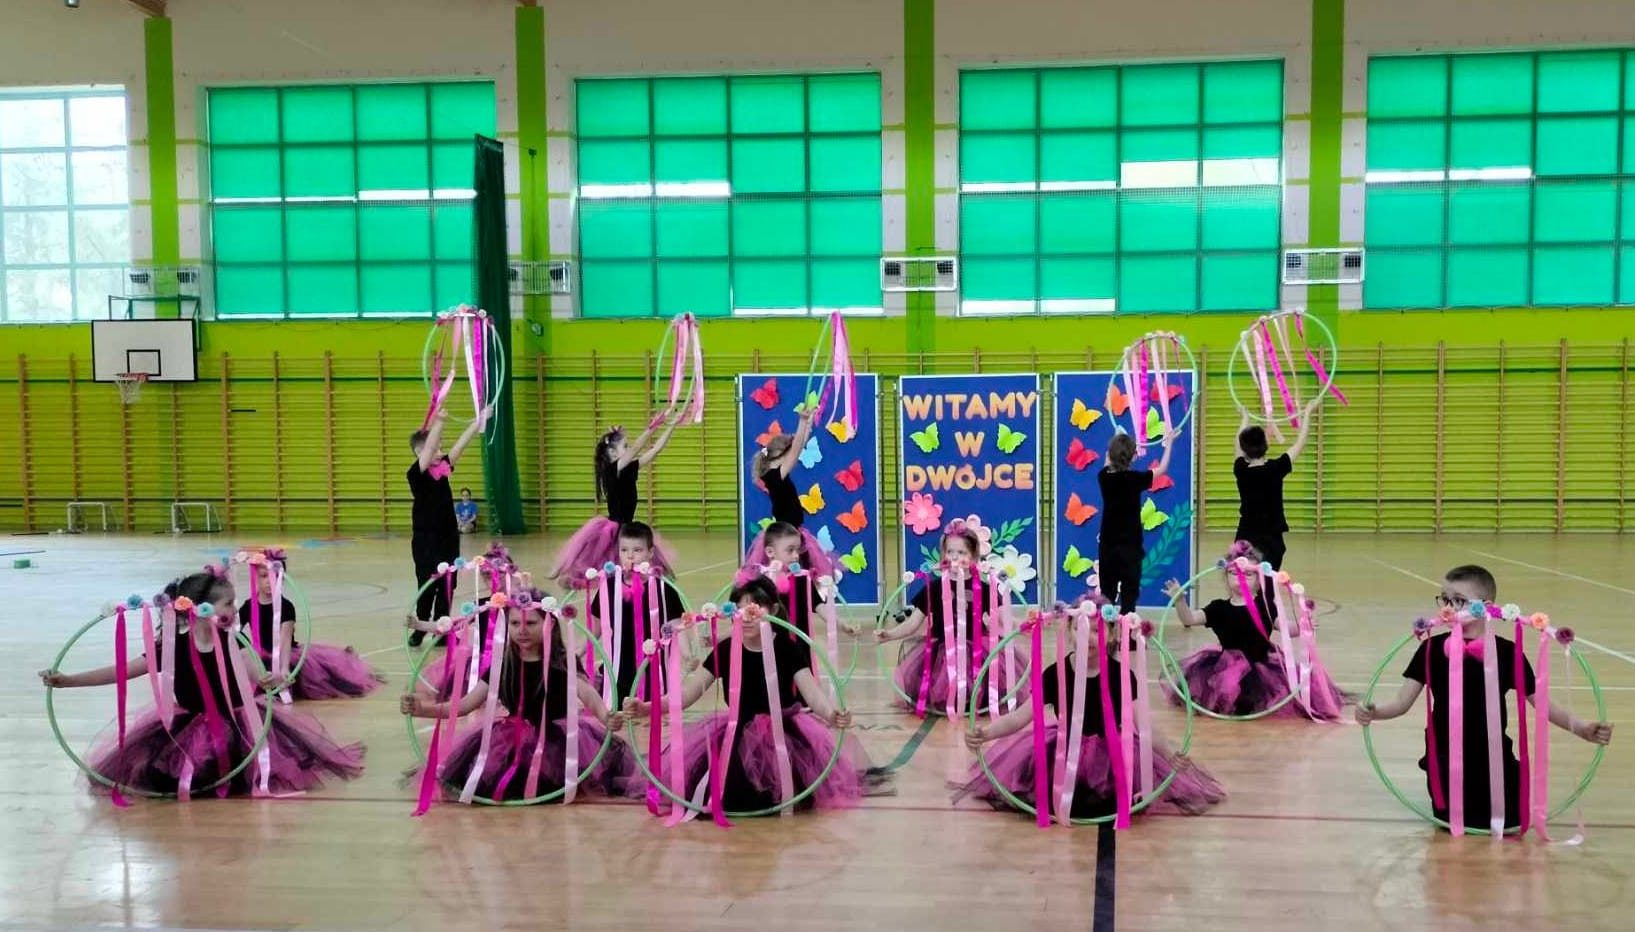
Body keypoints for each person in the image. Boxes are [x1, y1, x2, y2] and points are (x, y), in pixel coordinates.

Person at [41, 571, 365, 797]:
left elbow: (254, 671)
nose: (235, 610)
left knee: (234, 764)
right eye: (228, 604)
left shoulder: (232, 641)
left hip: (237, 722)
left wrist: (268, 679)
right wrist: (68, 681)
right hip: (188, 726)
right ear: (203, 609)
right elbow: (123, 671)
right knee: (172, 770)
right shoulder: (172, 646)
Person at [1355, 565, 1614, 831]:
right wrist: (1374, 712)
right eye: (1444, 599)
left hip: (1495, 763)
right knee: (1453, 828)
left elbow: (1542, 703)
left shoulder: (1507, 653)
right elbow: (1401, 702)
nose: (1449, 608)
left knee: (1508, 824)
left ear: (1486, 606)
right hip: (1447, 765)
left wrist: (1582, 728)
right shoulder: (1431, 649)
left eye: (1459, 600)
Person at [624, 577, 878, 814]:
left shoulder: (786, 647)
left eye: (755, 608)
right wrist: (647, 707)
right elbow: (688, 693)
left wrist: (832, 715)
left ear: (773, 610)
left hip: (783, 734)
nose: (746, 616)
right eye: (739, 608)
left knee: (777, 789)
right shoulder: (726, 649)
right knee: (726, 789)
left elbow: (812, 693)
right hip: (734, 731)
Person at [959, 598, 1224, 820]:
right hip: (1062, 753)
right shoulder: (1054, 674)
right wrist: (986, 733)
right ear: (1069, 631)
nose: (1088, 637)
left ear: (1112, 635)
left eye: (1097, 631)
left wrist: (1169, 754)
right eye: (1081, 628)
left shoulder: (1121, 676)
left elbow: (1144, 726)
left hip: (1112, 754)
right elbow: (1020, 717)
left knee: (1108, 796)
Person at [401, 596, 635, 803]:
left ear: (549, 624)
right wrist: (422, 708)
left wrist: (605, 716)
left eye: (531, 623)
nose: (522, 630)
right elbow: (464, 705)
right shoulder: (502, 665)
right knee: (496, 778)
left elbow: (588, 695)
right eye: (514, 623)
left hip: (558, 740)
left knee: (545, 779)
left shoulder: (563, 662)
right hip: (509, 739)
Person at [1163, 541, 1344, 719]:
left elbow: (1287, 629)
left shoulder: (1265, 606)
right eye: (1234, 573)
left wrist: (1303, 626)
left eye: (1248, 574)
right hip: (1226, 669)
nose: (1240, 577)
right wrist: (1180, 601)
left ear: (1258, 580)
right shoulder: (1218, 608)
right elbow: (1189, 618)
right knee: (1229, 695)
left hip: (1262, 664)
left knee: (1263, 695)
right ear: (1226, 577)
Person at [877, 522, 1017, 717]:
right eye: (950, 552)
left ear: (974, 557)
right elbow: (913, 623)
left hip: (976, 649)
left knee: (979, 674)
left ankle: (972, 699)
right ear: (943, 555)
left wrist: (1022, 626)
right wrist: (889, 634)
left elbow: (1005, 619)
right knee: (941, 676)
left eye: (961, 553)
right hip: (940, 650)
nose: (954, 557)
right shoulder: (933, 588)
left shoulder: (984, 589)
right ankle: (946, 699)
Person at [549, 417, 679, 587]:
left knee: (641, 556)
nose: (629, 449)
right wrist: (652, 427)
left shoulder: (629, 468)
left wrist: (672, 425)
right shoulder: (612, 470)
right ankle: (564, 574)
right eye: (625, 446)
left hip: (628, 526)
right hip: (613, 528)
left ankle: (641, 587)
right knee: (598, 563)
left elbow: (655, 450)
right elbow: (637, 448)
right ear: (612, 453)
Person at [408, 403, 491, 647]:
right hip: (425, 541)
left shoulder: (442, 470)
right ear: (419, 452)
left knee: (447, 585)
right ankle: (421, 626)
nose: (440, 451)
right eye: (436, 448)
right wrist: (440, 421)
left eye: (440, 447)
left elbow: (459, 447)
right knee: (427, 584)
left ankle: (441, 628)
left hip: (448, 538)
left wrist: (478, 422)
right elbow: (429, 448)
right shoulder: (416, 474)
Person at [583, 521, 688, 703]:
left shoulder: (664, 590)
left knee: (649, 715)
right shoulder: (608, 588)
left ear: (650, 553)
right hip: (616, 675)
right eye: (624, 550)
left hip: (653, 677)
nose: (630, 556)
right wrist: (577, 652)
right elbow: (594, 629)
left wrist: (688, 654)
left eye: (637, 550)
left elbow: (676, 627)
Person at [743, 405, 835, 578]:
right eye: (789, 453)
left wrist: (808, 423)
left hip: (792, 531)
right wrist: (802, 421)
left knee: (798, 574)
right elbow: (797, 448)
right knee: (789, 574)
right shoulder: (774, 475)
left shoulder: (776, 474)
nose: (793, 457)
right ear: (779, 456)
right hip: (786, 534)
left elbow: (798, 445)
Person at [1232, 397, 1319, 571]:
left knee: (1246, 581)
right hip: (1271, 540)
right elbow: (1300, 443)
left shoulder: (1241, 470)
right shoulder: (1275, 469)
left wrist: (1245, 418)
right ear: (1266, 445)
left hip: (1246, 536)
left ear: (1244, 449)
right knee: (1267, 582)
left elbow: (1237, 445)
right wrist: (1308, 413)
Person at [1096, 430, 1173, 614]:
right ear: (1134, 457)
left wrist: (1116, 439)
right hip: (1130, 547)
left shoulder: (1103, 477)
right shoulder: (1135, 479)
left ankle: (1106, 628)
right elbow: (1162, 468)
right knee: (1129, 596)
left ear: (1110, 455)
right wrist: (1169, 442)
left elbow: (1108, 460)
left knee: (1107, 595)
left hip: (1108, 546)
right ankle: (1127, 628)